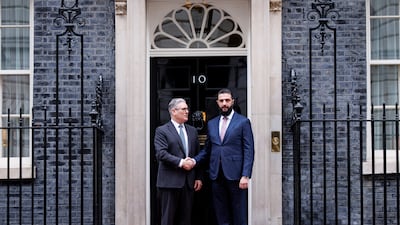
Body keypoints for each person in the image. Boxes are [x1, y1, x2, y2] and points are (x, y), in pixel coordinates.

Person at [192, 88, 255, 225]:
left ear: (232, 101)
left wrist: (245, 175)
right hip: (216, 175)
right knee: (221, 214)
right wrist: (193, 160)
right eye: (221, 101)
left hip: (236, 176)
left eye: (227, 100)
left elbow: (249, 150)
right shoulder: (212, 123)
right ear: (217, 103)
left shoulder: (243, 122)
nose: (224, 103)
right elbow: (208, 149)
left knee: (239, 214)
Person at [154, 98, 203, 225]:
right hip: (169, 182)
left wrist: (198, 177)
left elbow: (197, 154)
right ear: (173, 111)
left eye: (187, 109)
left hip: (188, 183)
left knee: (186, 219)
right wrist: (181, 163)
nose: (187, 111)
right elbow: (161, 153)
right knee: (168, 219)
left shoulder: (192, 131)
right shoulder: (162, 130)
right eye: (184, 109)